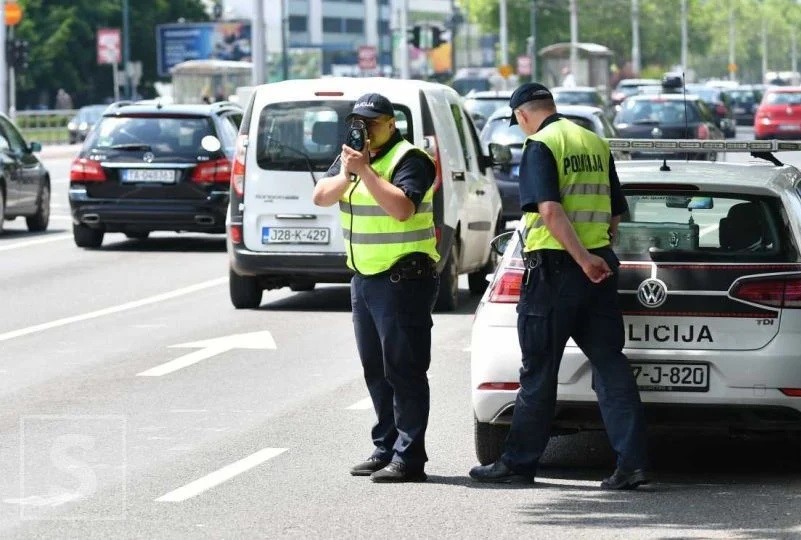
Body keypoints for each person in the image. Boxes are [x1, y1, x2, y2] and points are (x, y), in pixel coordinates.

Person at [468, 82, 649, 490]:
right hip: (599, 266)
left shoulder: (541, 145)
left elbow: (549, 210)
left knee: (539, 370)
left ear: (522, 115)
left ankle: (518, 464)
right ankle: (632, 463)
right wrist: (595, 255)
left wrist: (581, 260)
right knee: (610, 364)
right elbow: (616, 212)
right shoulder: (595, 143)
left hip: (555, 271)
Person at [312, 93, 440, 483]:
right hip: (365, 280)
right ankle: (385, 447)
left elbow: (402, 209)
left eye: (373, 123)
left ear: (391, 123)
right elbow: (321, 196)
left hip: (404, 279)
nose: (364, 130)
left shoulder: (410, 159)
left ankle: (409, 457)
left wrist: (366, 172)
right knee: (376, 370)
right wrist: (351, 170)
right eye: (359, 123)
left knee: (405, 370)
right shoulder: (352, 157)